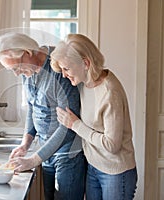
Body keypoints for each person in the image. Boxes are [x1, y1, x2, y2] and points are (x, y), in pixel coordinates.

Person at [0, 32, 86, 200]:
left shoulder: (59, 68)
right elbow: (32, 106)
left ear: (28, 53)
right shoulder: (28, 71)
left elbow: (69, 125)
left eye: (16, 67)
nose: (16, 73)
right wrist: (25, 143)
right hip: (45, 150)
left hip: (67, 153)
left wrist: (33, 160)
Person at [50, 33, 138, 200]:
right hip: (93, 167)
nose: (63, 75)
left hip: (116, 173)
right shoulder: (84, 83)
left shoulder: (110, 92)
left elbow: (112, 145)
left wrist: (75, 125)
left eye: (66, 69)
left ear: (86, 63)